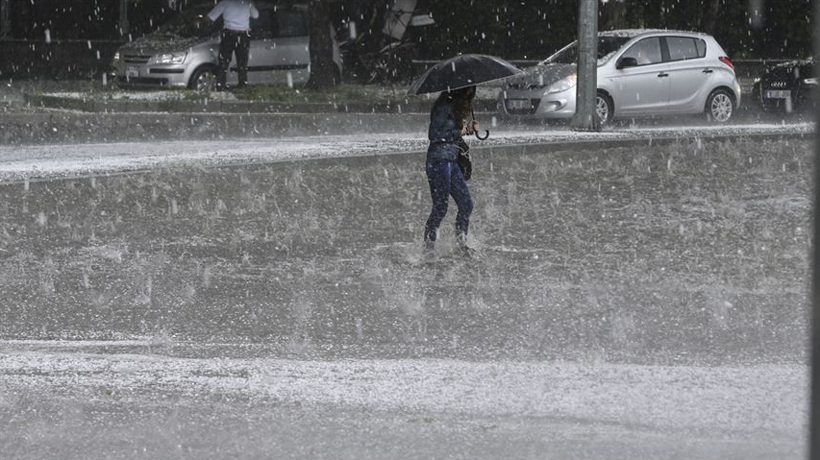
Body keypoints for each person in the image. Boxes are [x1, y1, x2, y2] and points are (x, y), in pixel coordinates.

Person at [423, 85, 480, 253]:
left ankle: (462, 244)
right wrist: (461, 130)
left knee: (466, 204)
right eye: (468, 94)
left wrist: (468, 129)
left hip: (451, 160)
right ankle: (428, 248)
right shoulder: (443, 106)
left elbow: (453, 132)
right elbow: (435, 134)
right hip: (438, 160)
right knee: (440, 208)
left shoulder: (454, 105)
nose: (470, 98)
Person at [207, 0, 259, 91]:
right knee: (242, 61)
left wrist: (198, 19)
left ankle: (221, 84)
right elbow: (256, 15)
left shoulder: (226, 2)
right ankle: (242, 84)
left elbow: (211, 17)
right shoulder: (247, 3)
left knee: (224, 60)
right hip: (243, 35)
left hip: (229, 34)